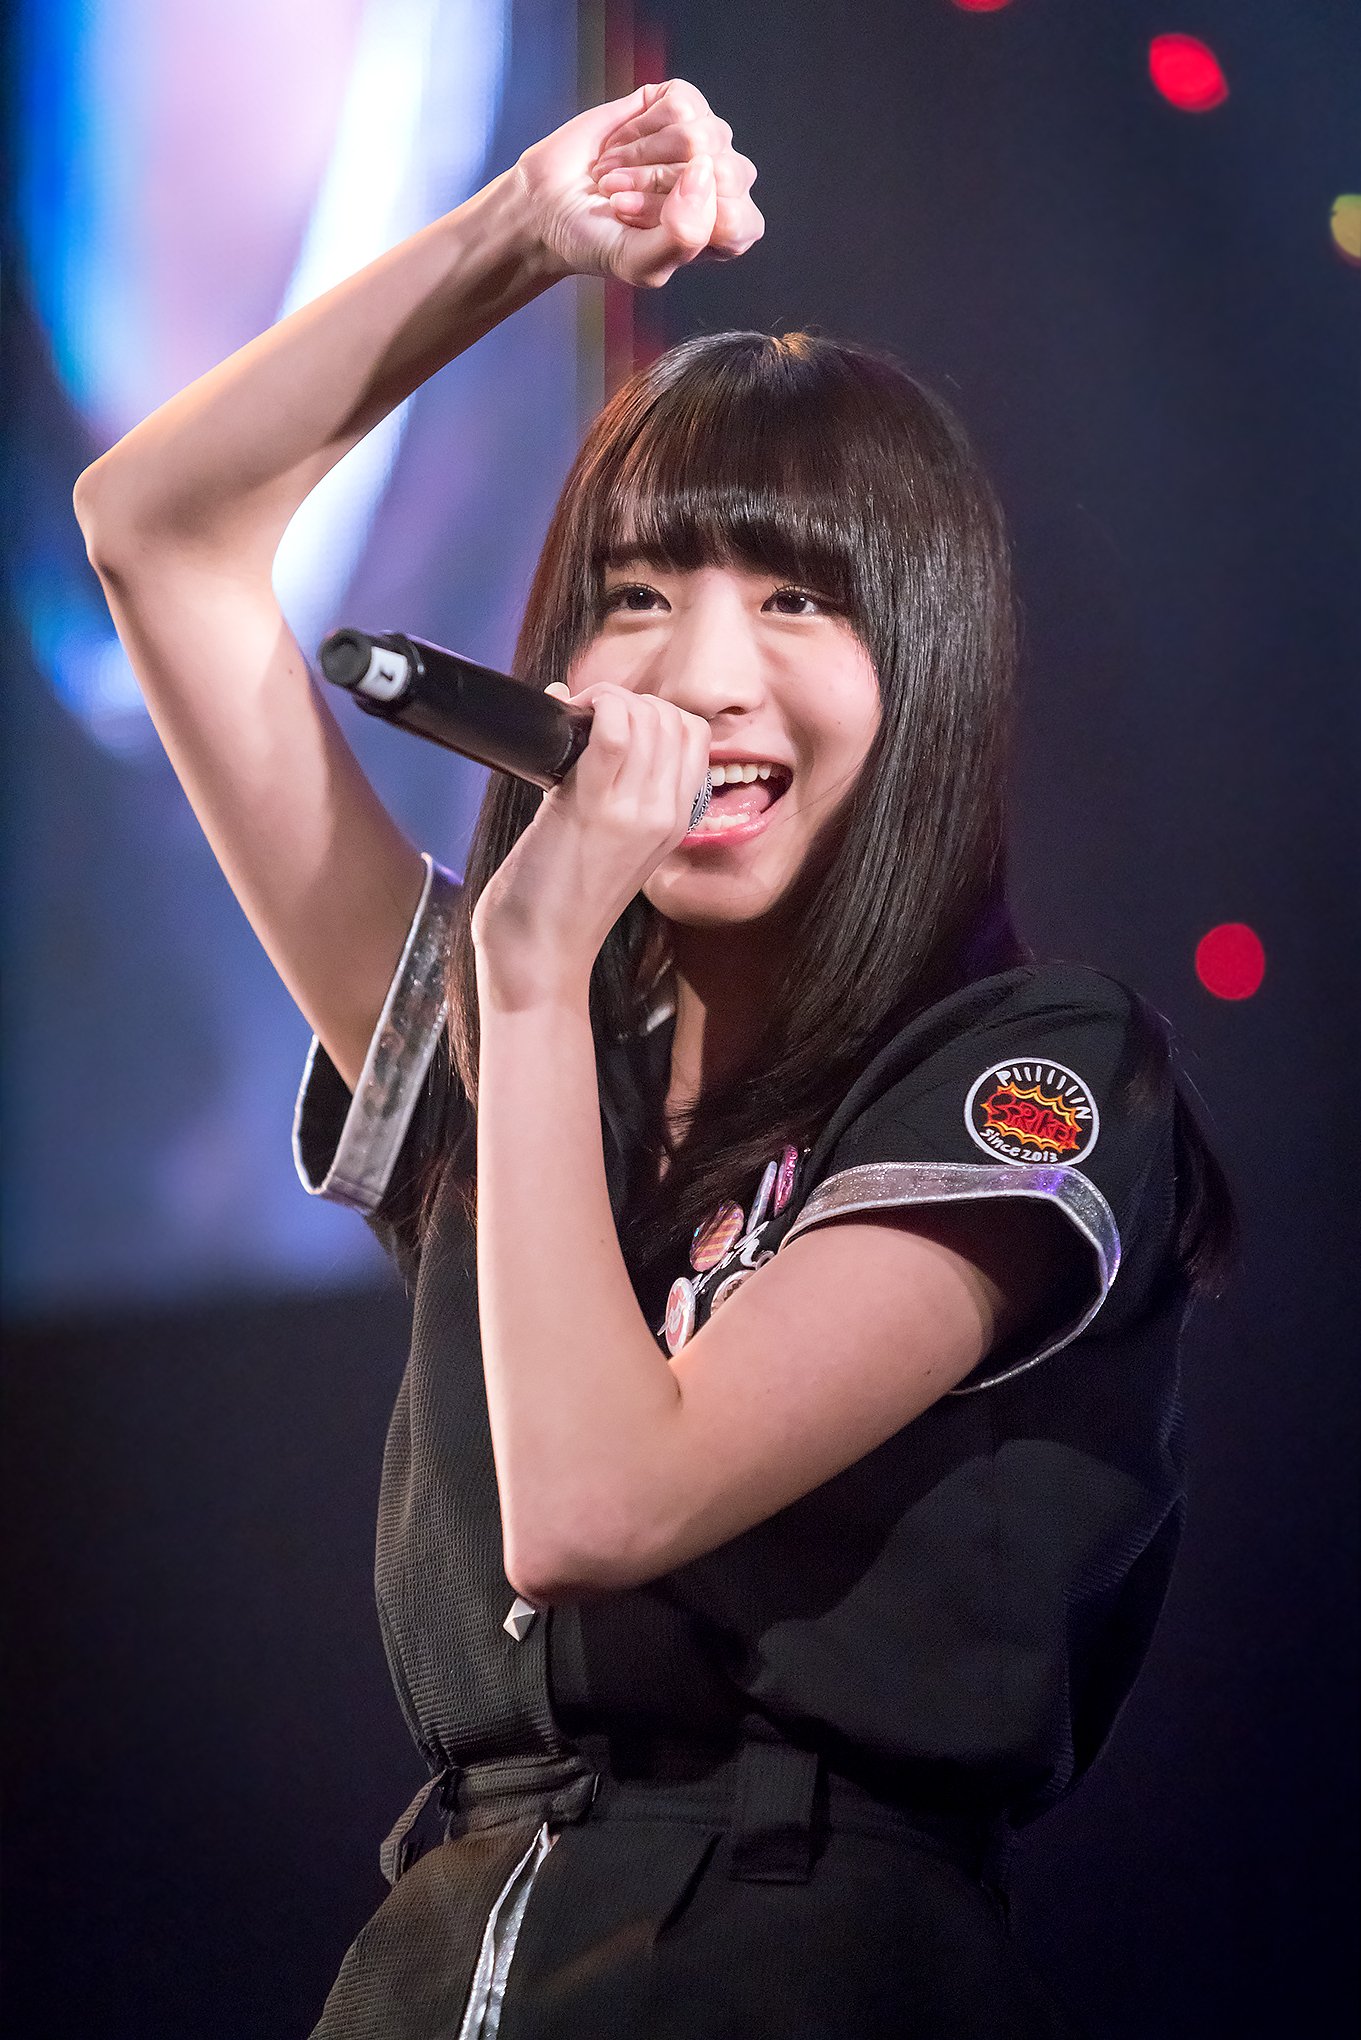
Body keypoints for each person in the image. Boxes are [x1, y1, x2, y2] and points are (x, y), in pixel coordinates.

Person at [75, 77, 1232, 2040]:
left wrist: (527, 969)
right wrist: (520, 234)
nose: (701, 677)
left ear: (929, 669)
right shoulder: (529, 1039)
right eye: (635, 596)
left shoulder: (1031, 1073)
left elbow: (598, 1508)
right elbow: (155, 535)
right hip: (440, 1962)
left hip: (801, 1963)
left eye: (796, 600)